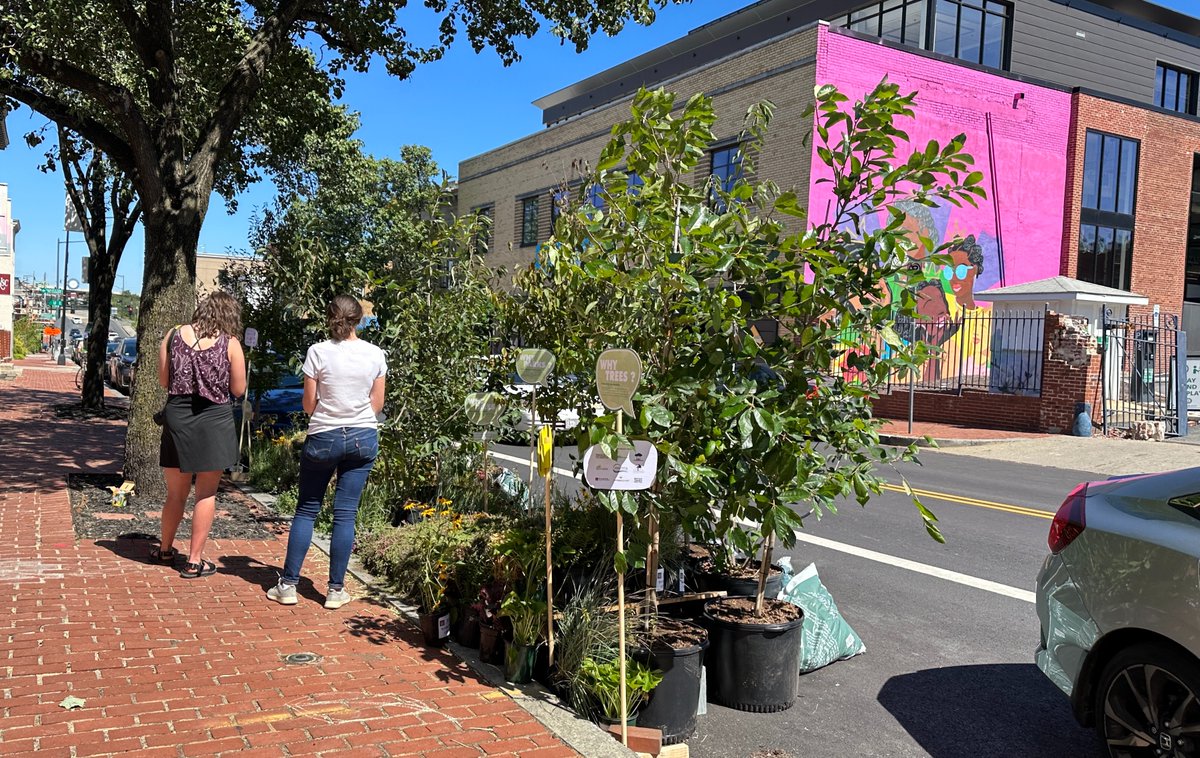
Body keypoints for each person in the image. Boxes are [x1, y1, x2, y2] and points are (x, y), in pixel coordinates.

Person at [268, 295, 386, 609]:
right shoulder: (375, 354)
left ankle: (288, 585)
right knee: (345, 514)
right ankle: (335, 590)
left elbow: (308, 405)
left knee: (307, 509)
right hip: (362, 436)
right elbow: (377, 405)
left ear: (329, 318)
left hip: (324, 435)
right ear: (359, 319)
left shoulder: (317, 352)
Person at [152, 291, 247, 578]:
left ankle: (164, 550)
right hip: (214, 421)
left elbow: (164, 381)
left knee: (175, 493)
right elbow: (238, 389)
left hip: (177, 417)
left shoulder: (172, 336)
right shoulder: (230, 343)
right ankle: (194, 561)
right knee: (205, 493)